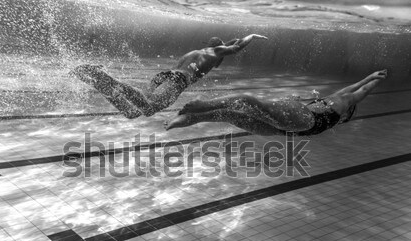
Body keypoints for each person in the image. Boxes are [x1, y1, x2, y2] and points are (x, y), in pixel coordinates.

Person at [70, 34, 268, 119]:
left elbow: (229, 44)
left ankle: (94, 81)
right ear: (219, 47)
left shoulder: (195, 52)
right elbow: (236, 46)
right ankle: (100, 75)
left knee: (135, 112)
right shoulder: (215, 53)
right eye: (222, 49)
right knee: (147, 106)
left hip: (166, 77)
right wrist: (252, 36)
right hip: (177, 81)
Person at [165, 70, 388, 135]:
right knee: (245, 103)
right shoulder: (341, 106)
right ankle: (203, 106)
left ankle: (186, 119)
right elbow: (360, 92)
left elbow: (355, 88)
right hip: (298, 123)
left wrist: (372, 77)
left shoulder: (335, 101)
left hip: (287, 128)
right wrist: (375, 79)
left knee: (234, 114)